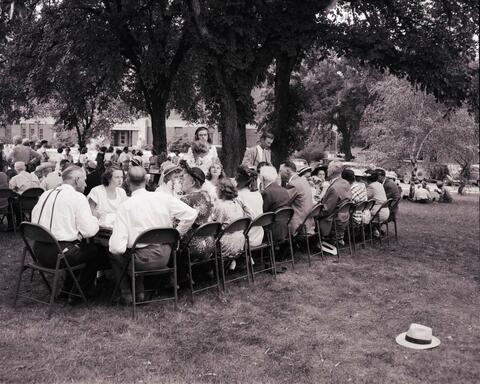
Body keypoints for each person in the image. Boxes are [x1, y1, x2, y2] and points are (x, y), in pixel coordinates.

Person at [108, 166, 197, 303]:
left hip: (142, 260)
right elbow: (191, 214)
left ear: (127, 181)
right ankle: (139, 290)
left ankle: (127, 293)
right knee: (130, 250)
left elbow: (117, 248)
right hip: (166, 256)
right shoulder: (163, 198)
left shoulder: (126, 206)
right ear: (146, 180)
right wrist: (176, 234)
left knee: (113, 251)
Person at [31, 165, 107, 302]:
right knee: (98, 251)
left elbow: (34, 220)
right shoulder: (77, 197)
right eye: (84, 179)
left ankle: (66, 289)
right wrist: (95, 218)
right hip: (60, 255)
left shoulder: (45, 194)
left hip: (38, 251)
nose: (86, 183)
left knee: (78, 246)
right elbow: (89, 231)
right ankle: (78, 294)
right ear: (77, 180)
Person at [180, 164, 214, 261]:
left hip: (194, 247)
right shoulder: (206, 195)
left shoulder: (186, 199)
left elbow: (177, 226)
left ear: (192, 183)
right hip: (210, 244)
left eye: (183, 179)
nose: (181, 181)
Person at [212, 179, 249, 262]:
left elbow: (216, 228)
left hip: (226, 246)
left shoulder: (221, 207)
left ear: (220, 191)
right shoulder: (238, 205)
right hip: (240, 243)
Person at [318, 161, 352, 243]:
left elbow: (326, 210)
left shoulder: (334, 187)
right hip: (344, 218)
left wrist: (312, 212)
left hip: (333, 221)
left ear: (332, 171)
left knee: (308, 215)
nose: (327, 171)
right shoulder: (346, 183)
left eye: (328, 168)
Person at [279, 160, 314, 234]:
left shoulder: (293, 184)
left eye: (280, 171)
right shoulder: (303, 180)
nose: (279, 174)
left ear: (288, 171)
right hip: (307, 221)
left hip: (298, 225)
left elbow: (283, 203)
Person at [259, 165, 290, 242]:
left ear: (262, 178)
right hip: (284, 228)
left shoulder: (267, 192)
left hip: (271, 231)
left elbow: (262, 214)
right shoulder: (284, 190)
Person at [236, 166, 264, 247]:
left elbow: (236, 219)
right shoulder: (257, 193)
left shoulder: (239, 195)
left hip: (246, 237)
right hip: (259, 235)